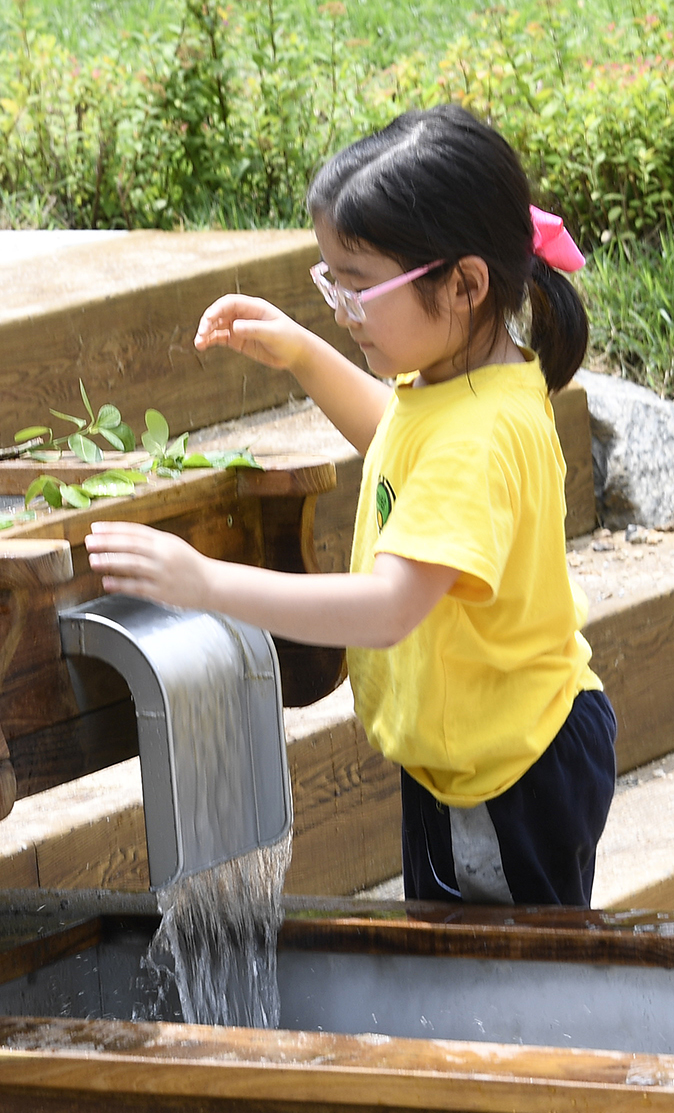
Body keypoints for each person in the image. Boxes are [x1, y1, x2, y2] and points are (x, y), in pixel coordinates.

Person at [86, 105, 616, 907]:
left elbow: (386, 608)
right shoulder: (460, 382)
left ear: (465, 283)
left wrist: (205, 584)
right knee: (461, 985)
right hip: (477, 750)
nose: (340, 307)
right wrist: (304, 355)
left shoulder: (478, 433)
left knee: (509, 993)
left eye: (359, 287)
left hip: (509, 773)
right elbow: (393, 440)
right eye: (329, 279)